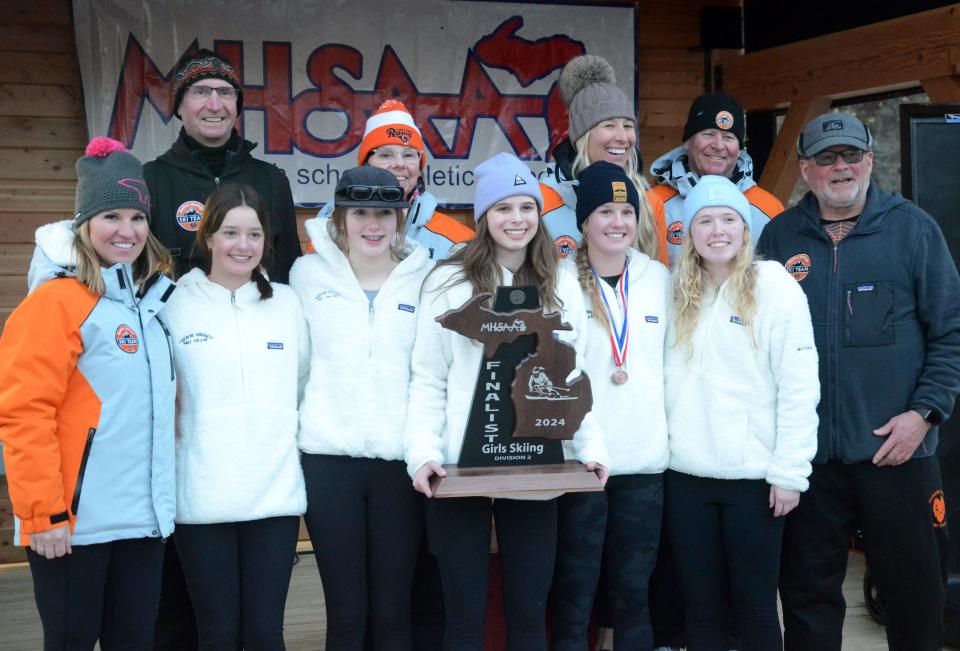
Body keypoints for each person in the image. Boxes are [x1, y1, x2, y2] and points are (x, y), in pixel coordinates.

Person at [757, 112, 960, 651]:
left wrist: (923, 415)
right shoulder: (778, 238)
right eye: (826, 158)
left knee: (916, 600)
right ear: (805, 170)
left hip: (899, 452)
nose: (840, 167)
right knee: (806, 601)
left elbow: (952, 332)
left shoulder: (914, 229)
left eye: (851, 155)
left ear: (870, 160)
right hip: (810, 460)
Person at [405, 152, 610, 651]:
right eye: (502, 209)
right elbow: (427, 378)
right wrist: (422, 452)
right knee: (464, 615)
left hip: (536, 463)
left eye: (526, 207)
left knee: (526, 613)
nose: (516, 219)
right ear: (482, 218)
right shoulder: (446, 281)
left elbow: (573, 372)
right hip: (460, 468)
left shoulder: (560, 282)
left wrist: (593, 447)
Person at [0, 137, 176, 649]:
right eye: (112, 217)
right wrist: (42, 514)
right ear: (85, 223)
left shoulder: (146, 306)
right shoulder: (55, 301)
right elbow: (23, 412)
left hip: (143, 524)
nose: (128, 231)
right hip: (74, 526)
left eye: (138, 218)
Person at [664, 175, 819, 651]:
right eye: (704, 221)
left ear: (745, 228)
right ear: (688, 231)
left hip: (754, 480)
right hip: (685, 474)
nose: (717, 231)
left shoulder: (775, 287)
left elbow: (799, 385)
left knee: (754, 606)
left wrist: (790, 472)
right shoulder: (675, 290)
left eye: (729, 219)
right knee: (701, 607)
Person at [290, 166, 432, 650]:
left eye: (384, 213)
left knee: (393, 613)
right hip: (329, 461)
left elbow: (429, 375)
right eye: (360, 212)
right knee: (346, 614)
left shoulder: (425, 278)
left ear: (400, 217)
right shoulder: (307, 275)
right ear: (340, 217)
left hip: (399, 465)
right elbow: (299, 368)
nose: (373, 225)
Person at [162, 184, 309, 650]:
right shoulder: (173, 305)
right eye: (230, 232)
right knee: (218, 634)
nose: (242, 245)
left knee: (267, 633)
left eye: (254, 233)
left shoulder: (288, 304)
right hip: (201, 498)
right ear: (207, 237)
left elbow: (302, 383)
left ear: (267, 241)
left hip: (274, 496)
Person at [550, 161, 670, 651]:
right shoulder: (559, 281)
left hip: (643, 460)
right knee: (576, 590)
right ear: (584, 221)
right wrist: (584, 444)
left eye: (626, 210)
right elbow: (558, 374)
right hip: (581, 462)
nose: (618, 222)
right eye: (605, 211)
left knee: (633, 591)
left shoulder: (659, 277)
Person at [143, 48, 301, 282]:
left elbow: (289, 272)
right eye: (201, 92)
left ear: (237, 105)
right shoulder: (150, 180)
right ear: (178, 106)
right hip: (178, 317)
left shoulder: (272, 180)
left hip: (258, 316)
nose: (215, 105)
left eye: (225, 93)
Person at [540, 54, 668, 266]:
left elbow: (659, 280)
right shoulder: (543, 201)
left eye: (628, 126)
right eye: (609, 125)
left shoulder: (650, 203)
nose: (623, 137)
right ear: (583, 136)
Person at [315, 99, 474, 261]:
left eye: (409, 155)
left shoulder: (458, 239)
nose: (399, 163)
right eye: (385, 155)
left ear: (419, 168)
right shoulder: (326, 231)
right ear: (365, 165)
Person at [649, 91, 783, 266]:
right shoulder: (652, 203)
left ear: (739, 148)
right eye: (709, 134)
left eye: (728, 137)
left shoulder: (768, 209)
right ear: (687, 141)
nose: (718, 146)